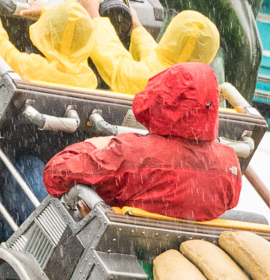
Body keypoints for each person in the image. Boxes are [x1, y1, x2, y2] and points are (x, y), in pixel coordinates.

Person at [42, 62, 240, 221]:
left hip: (111, 245)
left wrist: (94, 145)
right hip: (168, 254)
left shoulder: (131, 153)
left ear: (160, 98)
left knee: (29, 164)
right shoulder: (229, 165)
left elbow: (55, 175)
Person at [0, 0, 99, 89]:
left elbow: (0, 49)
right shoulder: (87, 79)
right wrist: (46, 11)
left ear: (47, 35)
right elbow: (72, 31)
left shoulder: (35, 68)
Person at [83, 0, 222, 96]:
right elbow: (156, 56)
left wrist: (95, 18)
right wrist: (137, 27)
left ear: (171, 33)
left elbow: (118, 69)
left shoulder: (155, 80)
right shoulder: (193, 85)